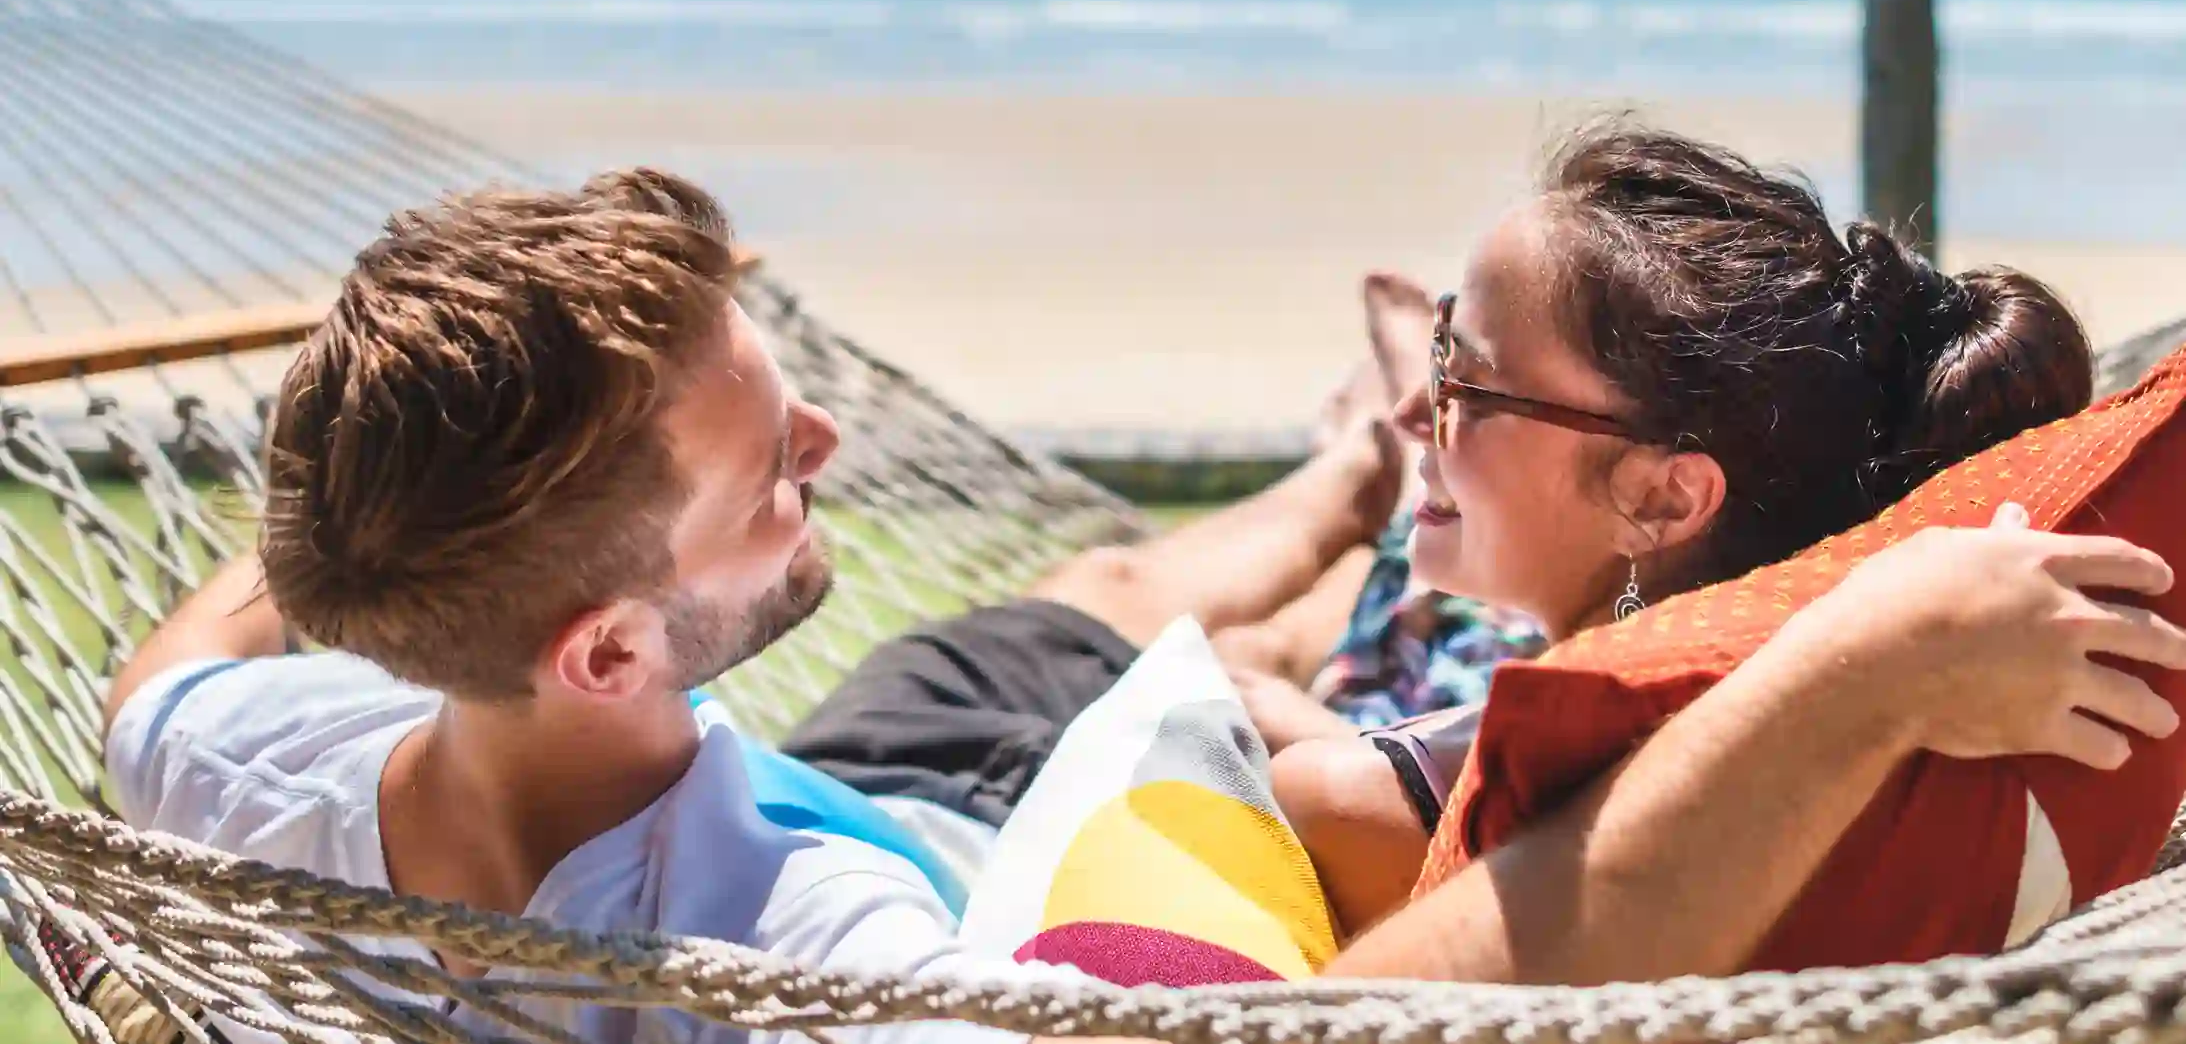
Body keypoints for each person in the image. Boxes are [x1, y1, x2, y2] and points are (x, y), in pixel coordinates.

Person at [100, 169, 2186, 1042]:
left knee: (1113, 587)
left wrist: (385, 510)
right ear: (607, 649)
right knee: (1162, 625)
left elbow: (164, 678)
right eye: (773, 462)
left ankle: (1348, 475)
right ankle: (1356, 485)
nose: (832, 431)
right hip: (945, 799)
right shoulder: (829, 940)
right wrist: (1848, 667)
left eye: (1470, 390)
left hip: (882, 753)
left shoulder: (233, 773)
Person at [1265, 125, 2117, 936]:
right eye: (1440, 347)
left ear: (1664, 500)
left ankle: (1347, 459)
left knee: (1259, 657)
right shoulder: (1844, 744)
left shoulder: (1353, 805)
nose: (1423, 409)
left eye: (1469, 384)